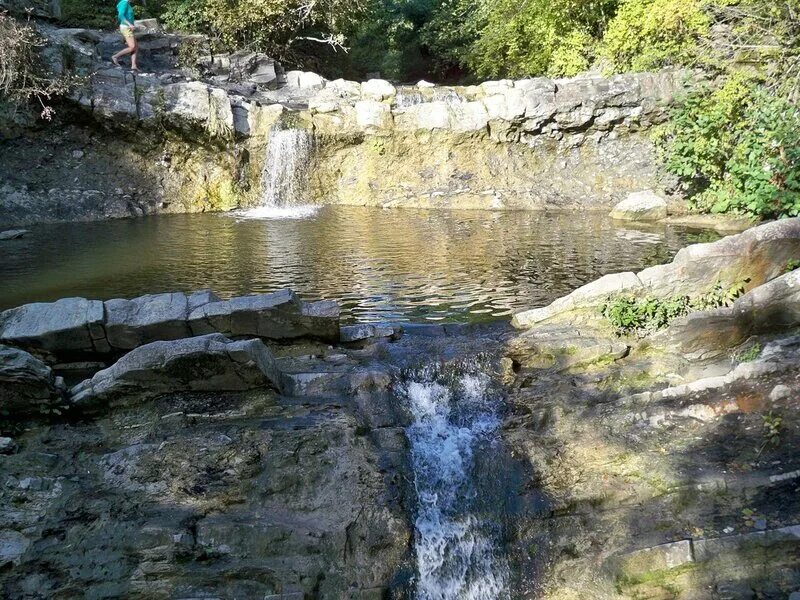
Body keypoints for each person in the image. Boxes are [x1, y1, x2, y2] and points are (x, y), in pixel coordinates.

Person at [112, 0, 138, 71]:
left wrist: (132, 26)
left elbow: (129, 16)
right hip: (125, 27)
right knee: (132, 47)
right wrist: (130, 25)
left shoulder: (128, 3)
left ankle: (133, 65)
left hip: (128, 28)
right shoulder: (124, 2)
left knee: (136, 46)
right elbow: (121, 15)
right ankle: (115, 57)